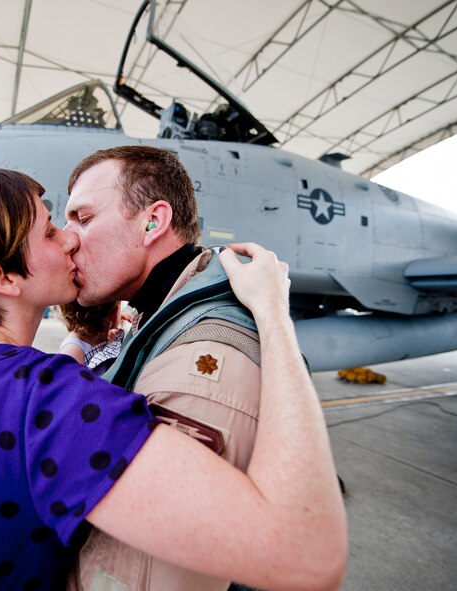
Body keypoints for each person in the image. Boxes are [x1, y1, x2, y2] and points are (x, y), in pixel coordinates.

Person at [0, 159, 346, 591]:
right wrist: (275, 318)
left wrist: (81, 342)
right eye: (50, 231)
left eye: (80, 219)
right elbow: (306, 554)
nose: (70, 239)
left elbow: (14, 416)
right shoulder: (52, 403)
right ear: (1, 277)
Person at [63, 145, 328, 591]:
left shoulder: (203, 351)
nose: (68, 238)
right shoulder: (164, 309)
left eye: (83, 219)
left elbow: (142, 575)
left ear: (153, 222)